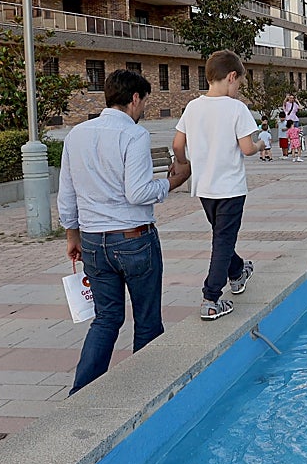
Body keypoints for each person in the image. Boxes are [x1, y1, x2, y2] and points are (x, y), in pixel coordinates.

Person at [58, 69, 190, 395]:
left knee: (106, 319)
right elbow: (138, 192)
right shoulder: (134, 134)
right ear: (134, 98)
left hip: (92, 241)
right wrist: (173, 181)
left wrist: (72, 236)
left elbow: (67, 193)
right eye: (144, 101)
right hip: (133, 239)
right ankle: (146, 392)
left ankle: (81, 394)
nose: (143, 108)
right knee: (147, 320)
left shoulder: (76, 134)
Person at [173, 50, 268, 322]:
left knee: (221, 237)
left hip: (204, 188)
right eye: (239, 84)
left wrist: (184, 164)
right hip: (231, 188)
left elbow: (178, 145)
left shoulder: (193, 107)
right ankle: (211, 299)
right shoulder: (237, 109)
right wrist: (261, 144)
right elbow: (247, 148)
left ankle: (237, 272)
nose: (238, 90)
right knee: (223, 240)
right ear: (231, 77)